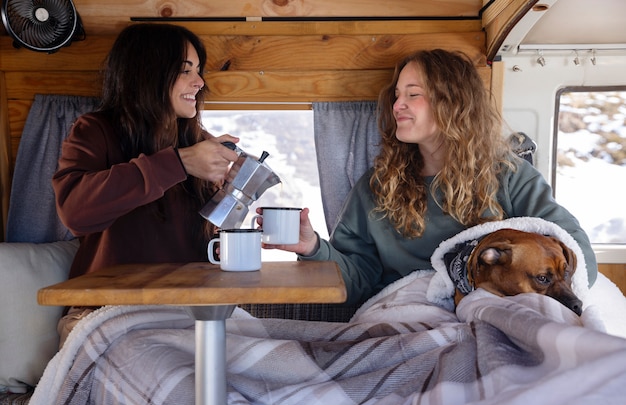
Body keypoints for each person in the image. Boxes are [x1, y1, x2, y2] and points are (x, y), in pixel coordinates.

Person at [260, 49, 597, 307]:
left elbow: (577, 254)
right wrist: (313, 248)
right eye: (396, 96)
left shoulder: (509, 177)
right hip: (404, 314)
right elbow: (358, 278)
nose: (397, 106)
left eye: (413, 94)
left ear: (452, 103)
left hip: (484, 315)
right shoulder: (376, 188)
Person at [52, 23, 240, 345]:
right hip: (105, 311)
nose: (200, 82)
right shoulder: (95, 130)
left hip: (184, 313)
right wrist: (178, 163)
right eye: (185, 71)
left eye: (199, 70)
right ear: (148, 74)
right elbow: (75, 213)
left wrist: (230, 194)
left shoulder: (198, 143)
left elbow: (205, 243)